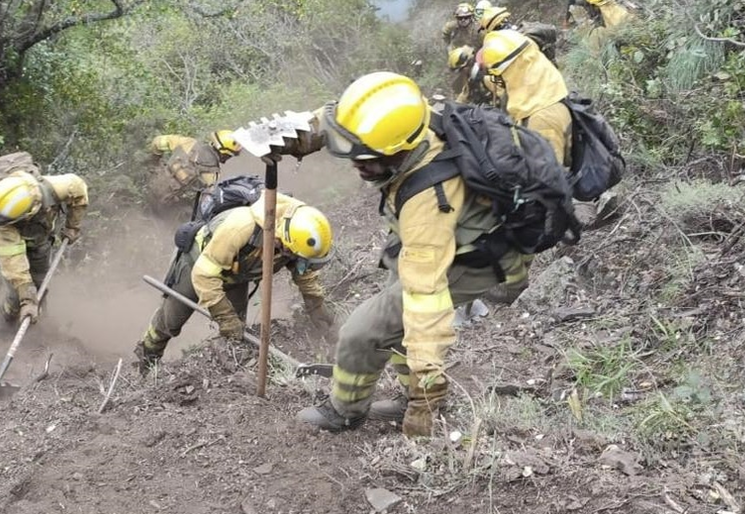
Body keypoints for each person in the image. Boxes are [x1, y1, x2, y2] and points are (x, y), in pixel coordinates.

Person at [295, 73, 532, 437]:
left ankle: (347, 411)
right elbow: (336, 117)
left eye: (366, 158)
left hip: (471, 260)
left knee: (363, 331)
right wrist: (300, 137)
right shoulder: (408, 117)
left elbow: (426, 305)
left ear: (398, 151)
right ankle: (403, 395)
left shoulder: (428, 202)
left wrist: (427, 395)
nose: (356, 164)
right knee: (394, 317)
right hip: (455, 236)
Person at [134, 195, 334, 374]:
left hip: (237, 275)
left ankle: (228, 370)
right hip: (199, 265)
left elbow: (304, 273)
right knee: (170, 322)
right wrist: (223, 316)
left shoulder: (293, 240)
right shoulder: (241, 226)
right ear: (283, 238)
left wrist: (316, 305)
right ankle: (146, 361)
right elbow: (204, 275)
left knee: (237, 331)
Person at [0, 157, 88, 325]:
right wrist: (27, 299)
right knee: (16, 296)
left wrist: (72, 226)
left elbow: (79, 189)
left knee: (40, 284)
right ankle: (6, 324)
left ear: (28, 213)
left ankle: (38, 324)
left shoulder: (53, 188)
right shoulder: (1, 222)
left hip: (39, 235)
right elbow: (15, 264)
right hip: (9, 245)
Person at [480, 30, 571, 166]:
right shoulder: (541, 94)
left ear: (512, 72)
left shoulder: (541, 120)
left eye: (499, 76)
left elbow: (549, 181)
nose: (499, 82)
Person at [145, 131, 240, 216]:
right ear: (224, 153)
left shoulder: (188, 143)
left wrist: (154, 162)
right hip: (163, 204)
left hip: (149, 183)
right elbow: (206, 201)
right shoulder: (212, 173)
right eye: (230, 155)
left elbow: (157, 142)